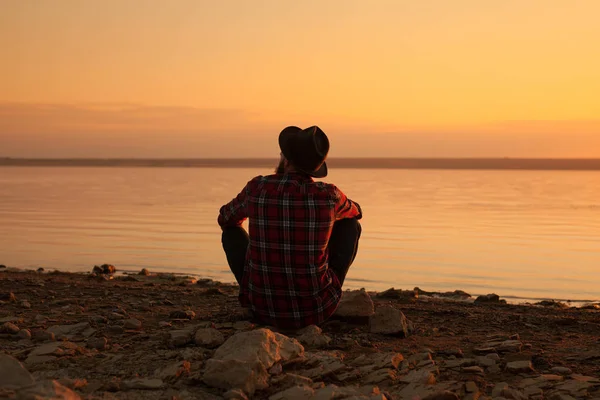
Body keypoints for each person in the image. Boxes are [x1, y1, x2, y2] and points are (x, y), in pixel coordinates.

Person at [217, 126, 362, 329]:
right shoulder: (329, 195)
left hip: (262, 309)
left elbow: (225, 218)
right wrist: (325, 222)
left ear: (286, 160)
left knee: (231, 233)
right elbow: (357, 212)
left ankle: (255, 291)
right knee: (350, 225)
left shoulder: (257, 188)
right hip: (317, 310)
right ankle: (327, 288)